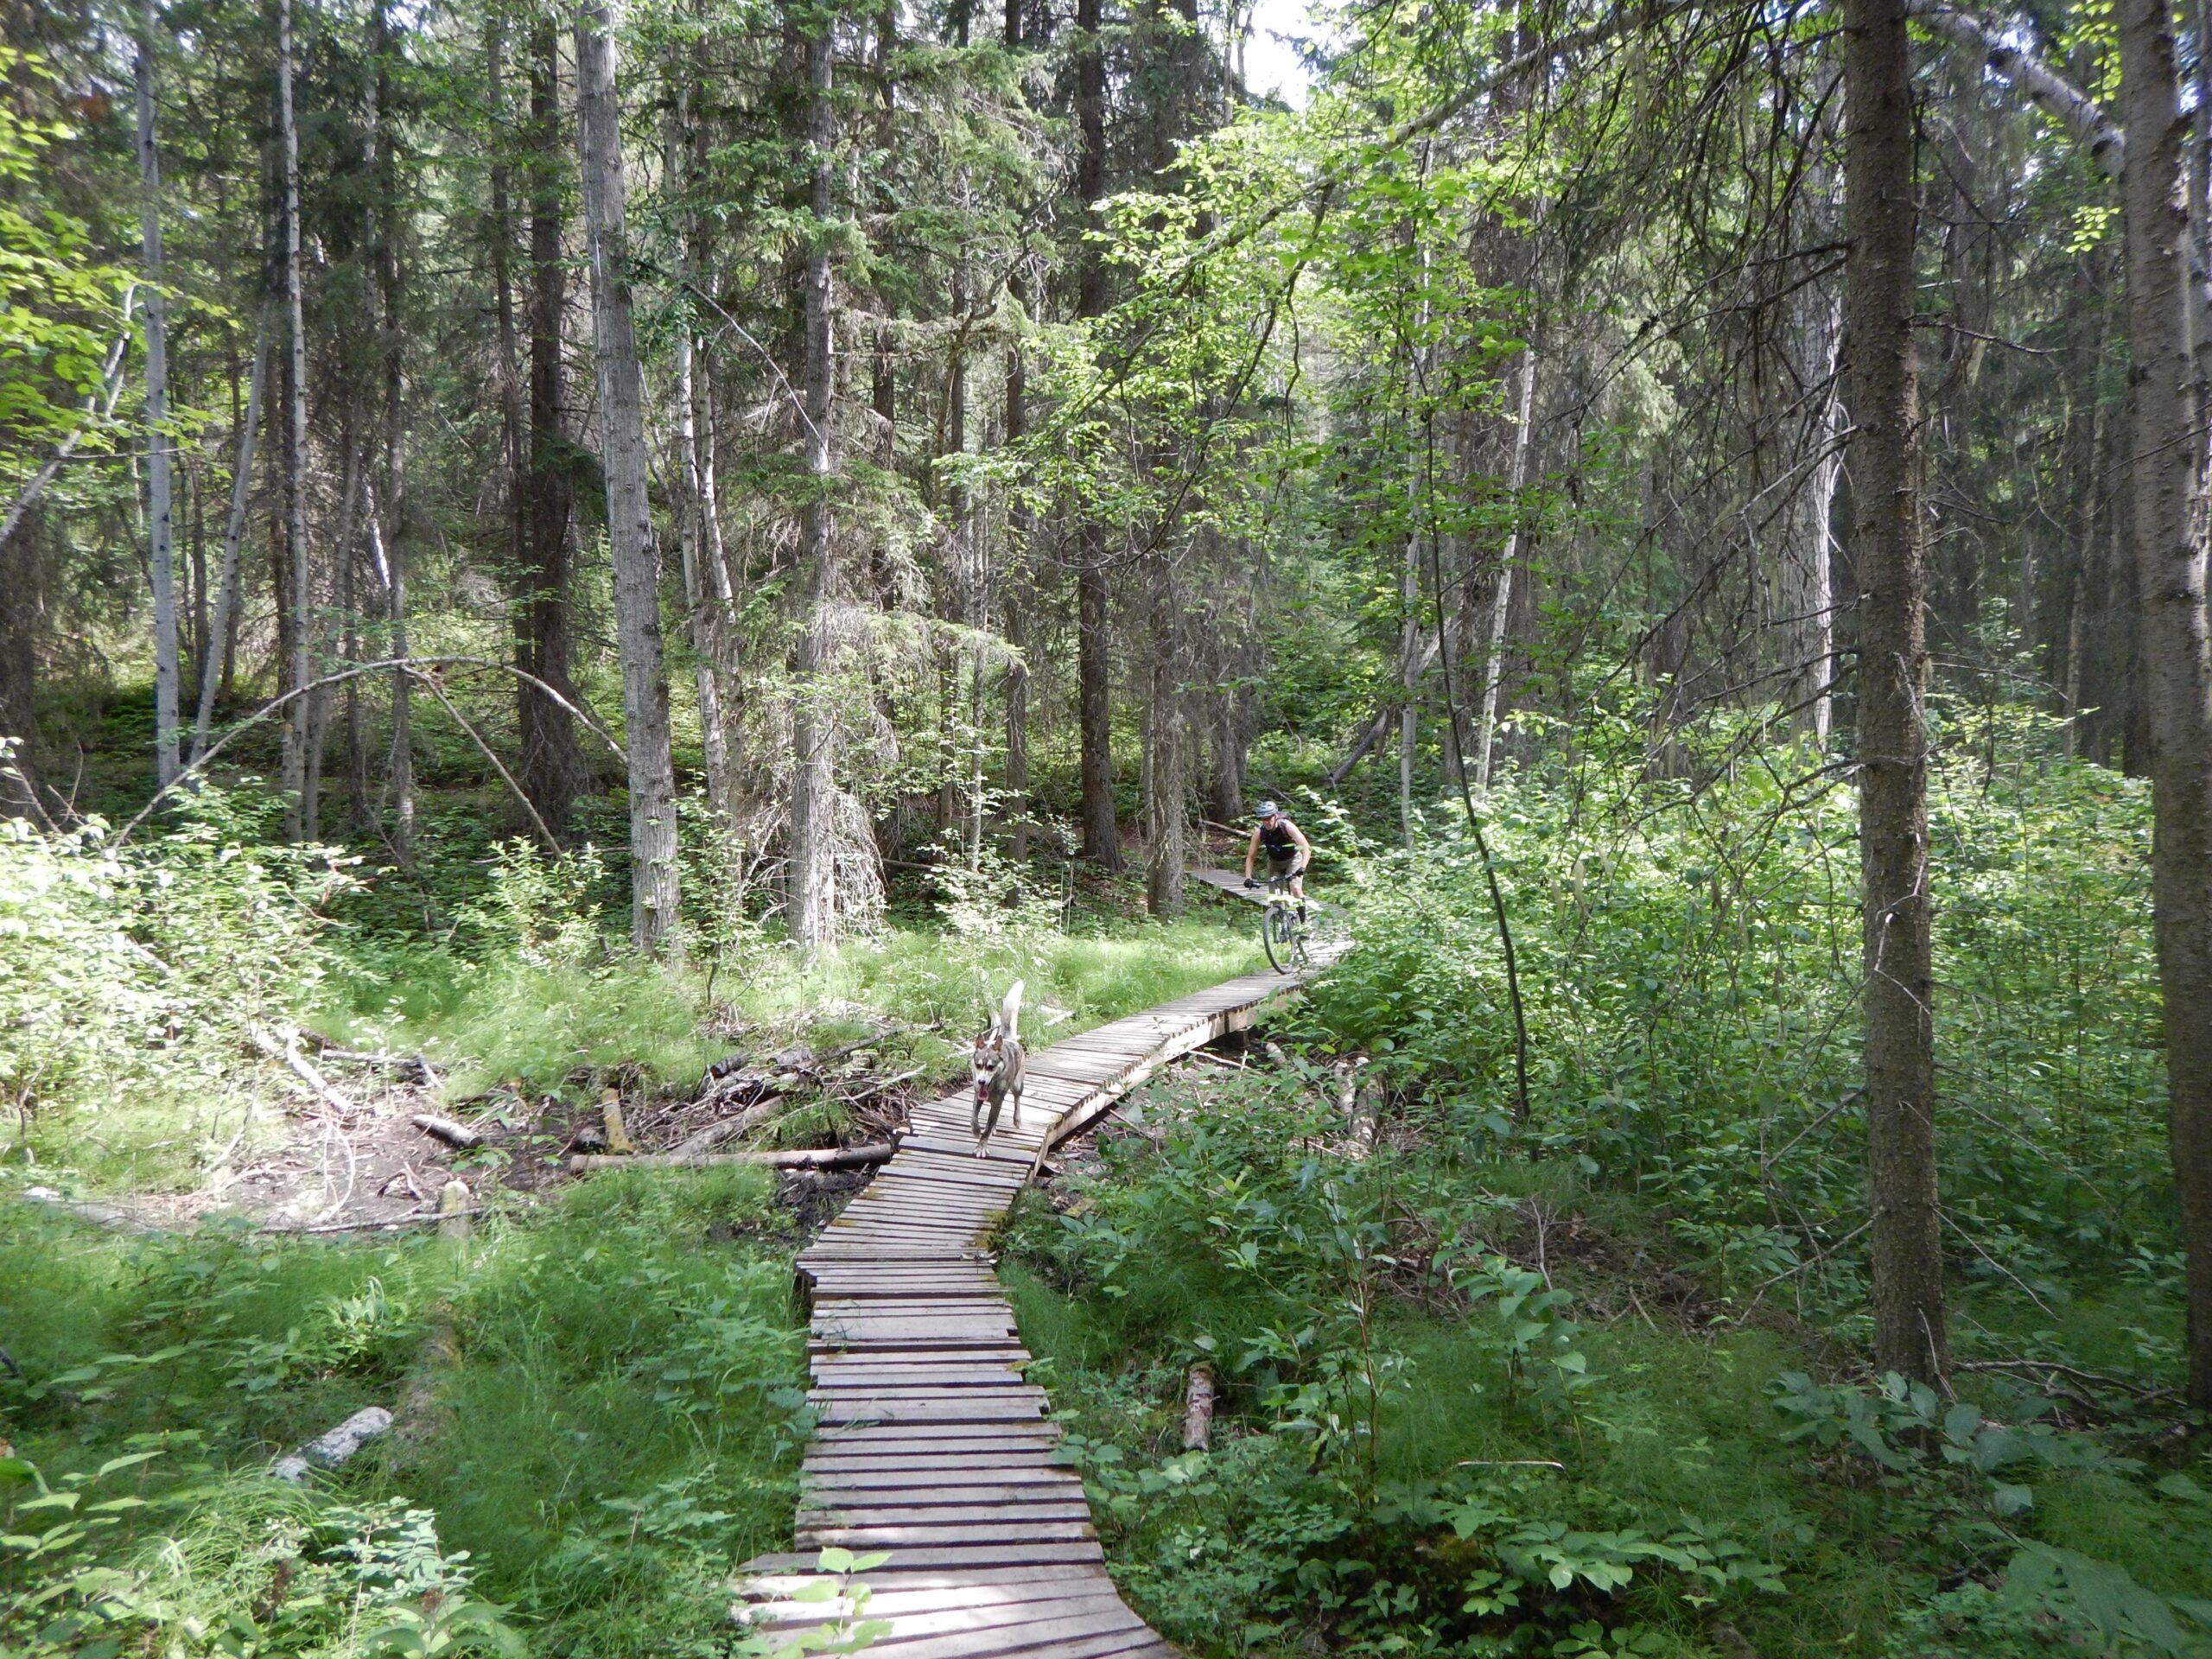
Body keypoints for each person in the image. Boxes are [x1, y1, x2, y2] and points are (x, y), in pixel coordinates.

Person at [1243, 801, 1311, 918]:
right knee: (1274, 897)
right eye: (1263, 819)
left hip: (1293, 859)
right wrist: (1248, 877)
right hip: (1274, 862)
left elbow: (1306, 848)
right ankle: (1282, 925)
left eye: (1269, 818)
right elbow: (1250, 857)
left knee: (1295, 888)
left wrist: (1302, 867)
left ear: (1275, 816)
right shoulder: (1260, 832)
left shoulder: (1287, 827)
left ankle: (1304, 925)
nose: (1267, 822)